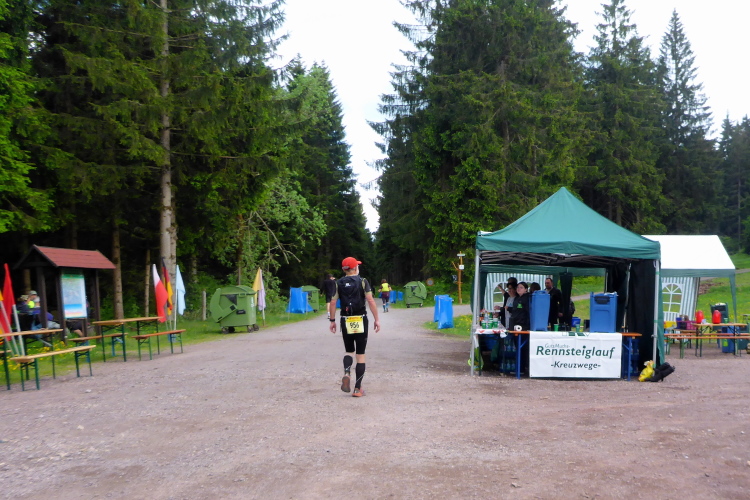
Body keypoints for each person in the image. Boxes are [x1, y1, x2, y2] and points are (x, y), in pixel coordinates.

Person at [328, 256, 381, 397]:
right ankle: (357, 389)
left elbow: (333, 302)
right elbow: (370, 300)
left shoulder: (338, 283)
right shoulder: (363, 281)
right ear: (355, 268)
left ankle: (347, 373)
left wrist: (332, 320)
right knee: (360, 354)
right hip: (360, 318)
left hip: (345, 319)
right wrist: (377, 319)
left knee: (349, 351)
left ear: (344, 269)